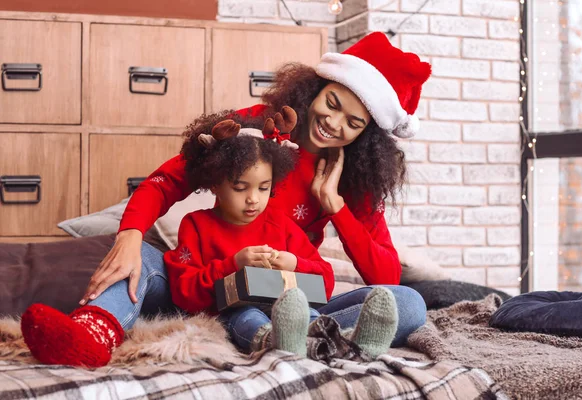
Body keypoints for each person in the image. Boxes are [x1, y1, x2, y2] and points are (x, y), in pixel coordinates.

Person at [25, 31, 430, 365]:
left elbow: (385, 277)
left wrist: (335, 208)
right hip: (210, 286)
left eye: (353, 122)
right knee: (146, 258)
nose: (333, 123)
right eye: (332, 103)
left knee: (408, 303)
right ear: (317, 88)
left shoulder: (352, 178)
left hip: (287, 296)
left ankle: (310, 337)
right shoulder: (254, 128)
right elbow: (166, 181)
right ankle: (91, 332)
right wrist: (129, 234)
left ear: (367, 134)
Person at [20, 113, 399, 366]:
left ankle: (333, 340)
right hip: (241, 310)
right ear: (215, 184)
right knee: (247, 315)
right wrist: (233, 266)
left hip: (299, 306)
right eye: (240, 187)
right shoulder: (196, 225)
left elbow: (325, 281)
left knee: (408, 301)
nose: (253, 198)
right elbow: (185, 290)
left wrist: (294, 263)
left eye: (264, 188)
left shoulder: (282, 225)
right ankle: (93, 331)